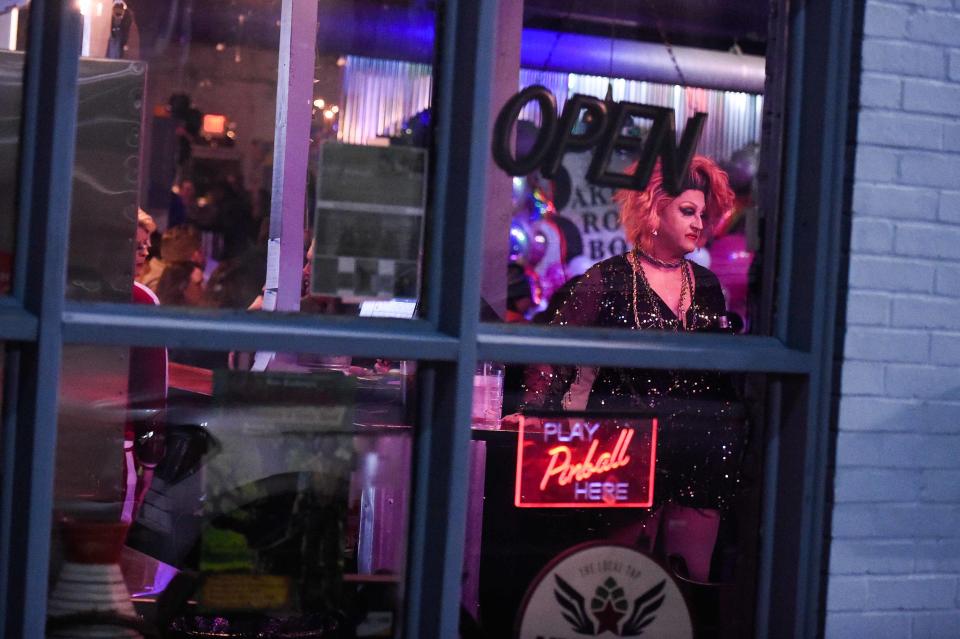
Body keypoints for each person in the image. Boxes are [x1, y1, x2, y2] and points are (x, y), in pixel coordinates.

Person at [521, 155, 743, 582]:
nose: (699, 222)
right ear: (654, 210)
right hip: (626, 450)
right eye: (687, 211)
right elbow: (552, 351)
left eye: (702, 213)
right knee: (619, 578)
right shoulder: (607, 280)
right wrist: (535, 415)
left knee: (690, 582)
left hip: (700, 445)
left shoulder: (709, 285)